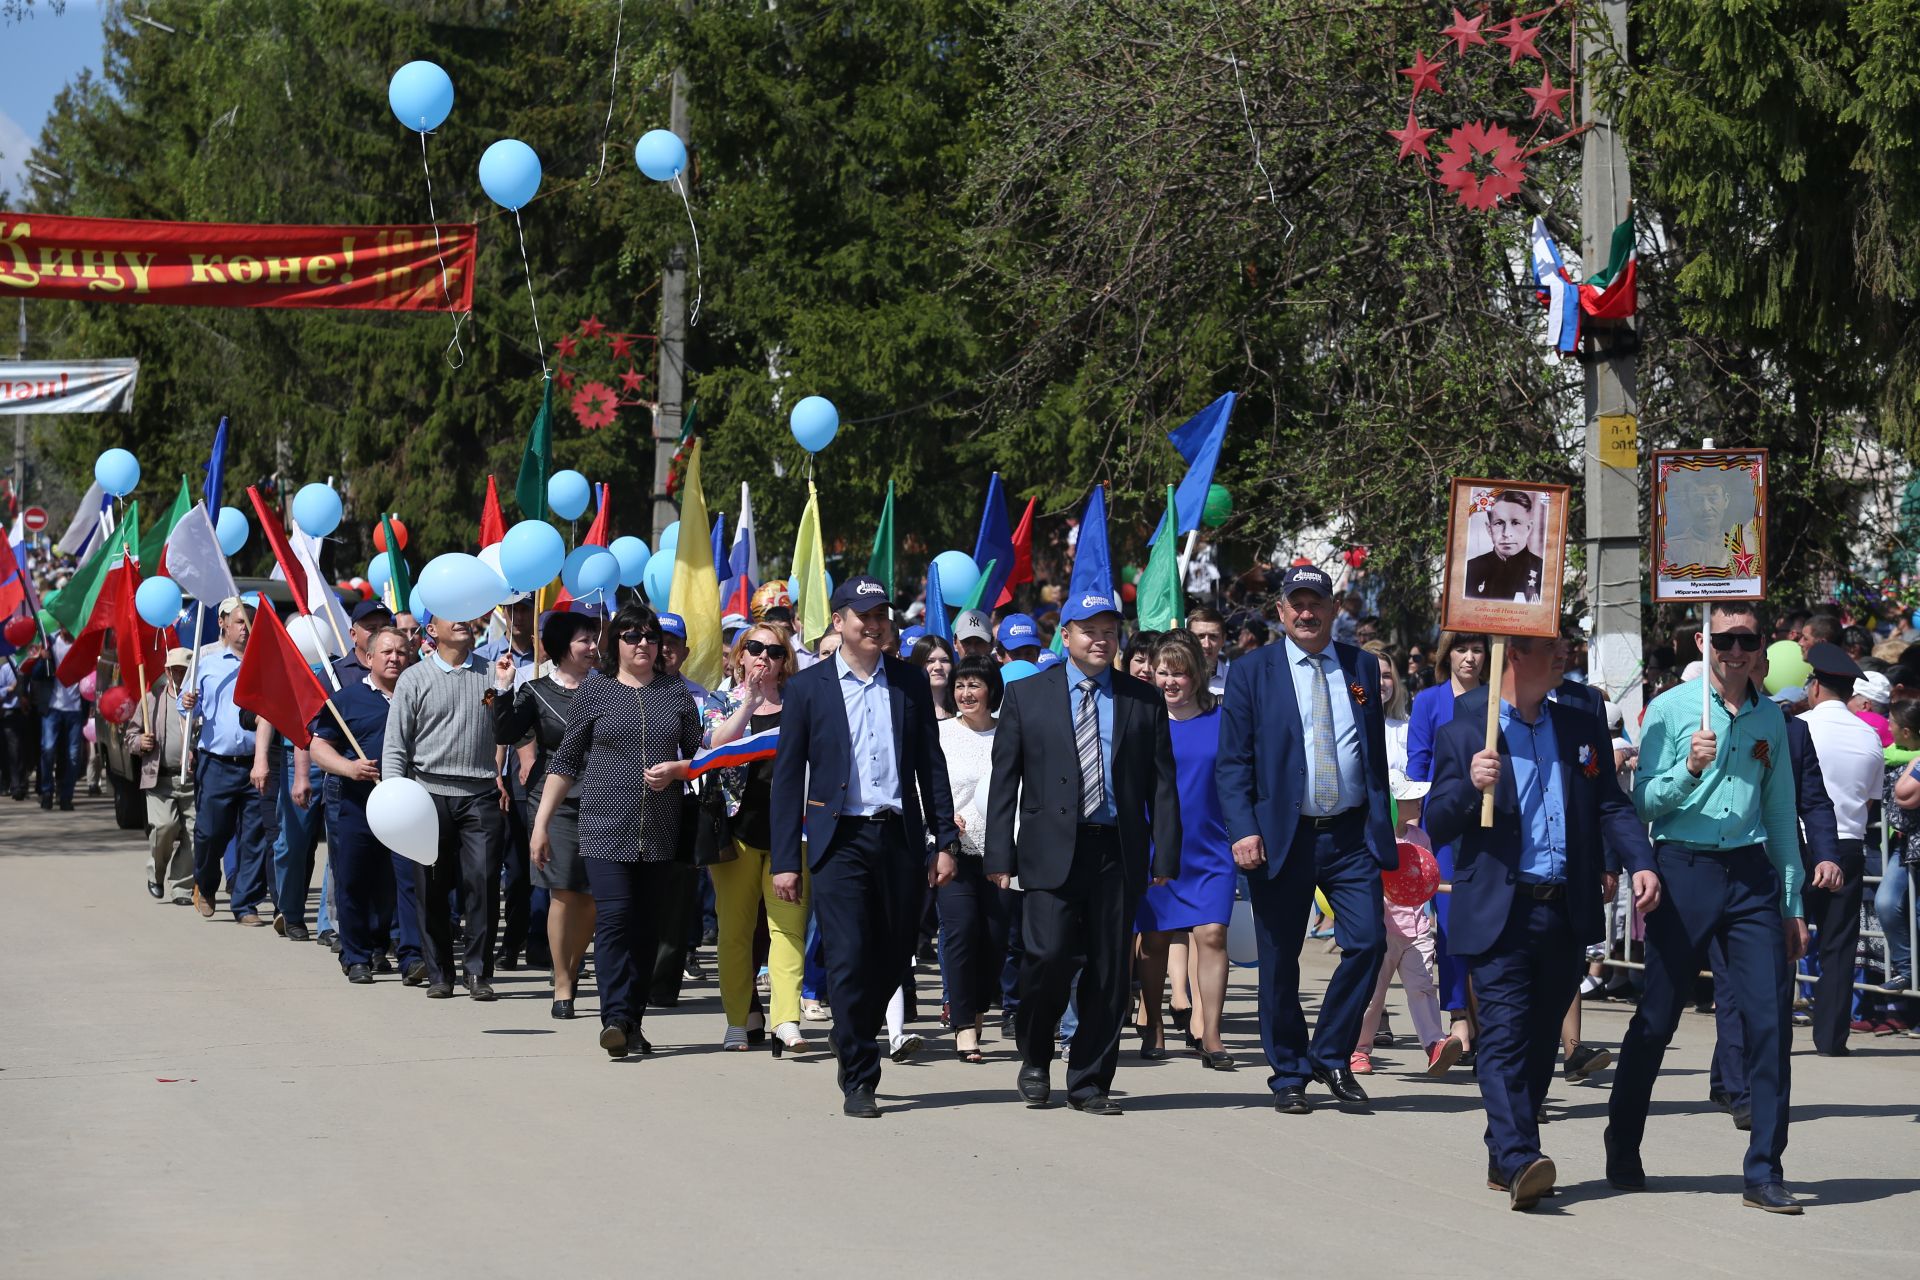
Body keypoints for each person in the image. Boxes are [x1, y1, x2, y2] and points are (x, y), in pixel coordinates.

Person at [1424, 631, 1659, 1210]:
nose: (1564, 658)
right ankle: (1524, 1156)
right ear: (1514, 656)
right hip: (1501, 910)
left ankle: (1504, 1152)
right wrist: (1471, 784)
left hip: (1564, 908)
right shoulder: (1466, 733)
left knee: (1534, 1044)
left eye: (1565, 650)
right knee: (1502, 1036)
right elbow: (1436, 820)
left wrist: (1640, 861)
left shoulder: (1579, 727)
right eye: (1551, 650)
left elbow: (1609, 804)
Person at [1610, 601, 1808, 1215]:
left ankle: (1764, 1169)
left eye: (1746, 640)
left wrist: (1790, 900)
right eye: (1723, 640)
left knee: (1770, 1023)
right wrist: (1688, 770)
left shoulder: (1770, 718)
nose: (1735, 651)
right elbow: (1642, 804)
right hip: (1683, 869)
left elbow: (1779, 813)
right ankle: (1623, 1143)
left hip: (1750, 875)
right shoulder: (1671, 710)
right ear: (1704, 642)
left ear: (1762, 646)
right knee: (1659, 1016)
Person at [987, 585, 1180, 1116]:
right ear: (1065, 635)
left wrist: (1165, 854)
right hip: (1049, 853)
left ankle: (1090, 1080)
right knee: (1046, 957)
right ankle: (1034, 1054)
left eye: (1110, 631)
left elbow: (1163, 784)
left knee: (1107, 971)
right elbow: (1005, 781)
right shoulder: (1029, 695)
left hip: (1116, 852)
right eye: (1090, 631)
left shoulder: (1141, 699)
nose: (1101, 640)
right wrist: (998, 855)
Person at [770, 576, 957, 1117]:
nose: (875, 626)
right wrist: (786, 860)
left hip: (899, 836)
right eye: (865, 617)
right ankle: (860, 1074)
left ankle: (852, 1026)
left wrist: (945, 839)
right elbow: (788, 780)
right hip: (840, 838)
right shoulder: (808, 689)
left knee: (896, 953)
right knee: (849, 956)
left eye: (882, 617)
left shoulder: (908, 682)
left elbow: (931, 765)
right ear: (840, 622)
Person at [1217, 564, 1395, 1115]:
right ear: (1280, 611)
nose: (1306, 612)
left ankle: (1331, 1054)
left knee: (1368, 943)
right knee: (1280, 958)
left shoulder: (1360, 667)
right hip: (1281, 837)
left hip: (1349, 836)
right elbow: (1233, 763)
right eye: (1296, 602)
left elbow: (1372, 753)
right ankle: (1289, 1071)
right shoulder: (1252, 673)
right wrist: (1243, 828)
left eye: (1316, 601)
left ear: (1334, 609)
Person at [535, 602, 702, 1057]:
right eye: (632, 636)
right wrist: (542, 824)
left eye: (650, 636)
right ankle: (613, 1017)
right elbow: (566, 761)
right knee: (614, 922)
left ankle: (633, 1020)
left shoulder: (677, 694)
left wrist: (678, 769)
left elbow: (699, 758)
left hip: (661, 829)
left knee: (648, 929)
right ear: (616, 644)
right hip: (605, 826)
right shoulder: (596, 692)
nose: (644, 643)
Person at [661, 621, 812, 1054]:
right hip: (735, 831)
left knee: (788, 930)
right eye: (755, 648)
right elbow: (712, 749)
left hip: (792, 834)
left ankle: (786, 1019)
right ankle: (738, 1019)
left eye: (775, 651)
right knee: (735, 932)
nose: (765, 657)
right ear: (739, 655)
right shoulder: (718, 701)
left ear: (786, 663)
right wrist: (747, 704)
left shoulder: (802, 703)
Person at [381, 610, 509, 1001]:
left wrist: (504, 691)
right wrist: (394, 797)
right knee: (431, 888)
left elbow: (504, 727)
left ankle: (477, 971)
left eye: (467, 615)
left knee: (483, 884)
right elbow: (396, 744)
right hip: (427, 795)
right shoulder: (414, 678)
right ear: (431, 631)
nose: (463, 620)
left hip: (480, 793)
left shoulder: (492, 674)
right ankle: (439, 972)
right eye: (451, 615)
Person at [491, 610, 601, 1018]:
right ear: (561, 648)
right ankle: (562, 980)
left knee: (590, 894)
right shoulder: (534, 691)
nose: (592, 647)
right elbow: (503, 731)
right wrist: (499, 689)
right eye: (583, 641)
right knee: (562, 890)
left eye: (594, 639)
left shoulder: (607, 689)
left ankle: (573, 965)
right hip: (551, 798)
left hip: (602, 796)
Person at [1135, 631, 1235, 1068]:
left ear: (1197, 676)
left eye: (1180, 673)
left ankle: (1211, 1034)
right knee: (1155, 941)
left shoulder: (1223, 720)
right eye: (1163, 673)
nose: (1171, 681)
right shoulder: (1139, 719)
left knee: (1211, 934)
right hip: (1157, 846)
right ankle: (1153, 1020)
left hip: (1211, 847)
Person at [308, 628, 418, 985]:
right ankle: (355, 955)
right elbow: (319, 747)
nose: (394, 658)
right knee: (354, 880)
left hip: (408, 806)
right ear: (368, 658)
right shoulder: (347, 700)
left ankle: (408, 955)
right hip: (357, 804)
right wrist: (349, 768)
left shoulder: (419, 694)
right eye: (386, 651)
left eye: (401, 652)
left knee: (402, 881)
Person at [1402, 630, 1488, 1067]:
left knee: (1489, 922)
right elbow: (1418, 762)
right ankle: (1458, 1018)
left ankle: (1487, 1018)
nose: (1469, 657)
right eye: (1461, 648)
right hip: (1444, 827)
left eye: (1477, 649)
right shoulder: (1429, 701)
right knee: (1451, 924)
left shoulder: (1497, 700)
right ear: (1446, 654)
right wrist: (1413, 825)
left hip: (1492, 826)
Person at [1797, 642, 1883, 1056]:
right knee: (1840, 945)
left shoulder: (1798, 726)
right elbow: (1867, 800)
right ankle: (1831, 1039)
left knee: (1785, 938)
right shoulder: (1869, 735)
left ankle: (1772, 1034)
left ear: (1815, 686)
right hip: (1848, 845)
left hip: (1799, 842)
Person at [179, 599, 274, 923]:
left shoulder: (264, 663)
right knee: (209, 833)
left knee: (254, 836)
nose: (244, 629)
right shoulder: (207, 662)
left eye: (249, 622)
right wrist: (188, 700)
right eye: (239, 622)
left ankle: (245, 903)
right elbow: (185, 704)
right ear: (223, 623)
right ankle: (204, 886)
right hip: (216, 762)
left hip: (255, 762)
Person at [938, 655, 1009, 1062]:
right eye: (960, 684)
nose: (966, 693)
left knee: (996, 941)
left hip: (1001, 855)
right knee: (962, 934)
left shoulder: (1010, 734)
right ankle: (964, 1025)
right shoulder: (942, 734)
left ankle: (978, 1008)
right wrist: (943, 821)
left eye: (974, 685)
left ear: (991, 690)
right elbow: (921, 785)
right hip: (954, 853)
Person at [127, 647, 195, 904]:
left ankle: (182, 886)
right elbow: (130, 736)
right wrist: (140, 742)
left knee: (196, 833)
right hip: (160, 780)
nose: (178, 674)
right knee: (164, 827)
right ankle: (156, 872)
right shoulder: (152, 700)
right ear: (166, 671)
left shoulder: (198, 699)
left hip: (192, 780)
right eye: (173, 670)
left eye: (183, 670)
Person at [35, 628, 86, 811]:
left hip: (75, 709)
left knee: (73, 756)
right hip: (53, 707)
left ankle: (66, 797)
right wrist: (43, 659)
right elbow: (36, 674)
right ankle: (47, 792)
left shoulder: (81, 643)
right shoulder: (50, 641)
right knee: (48, 749)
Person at [1464, 490, 1544, 603]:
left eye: (1515, 523)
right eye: (1499, 523)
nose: (1506, 533)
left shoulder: (1543, 570)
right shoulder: (1470, 569)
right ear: (1489, 529)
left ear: (1528, 528)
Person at [907, 634, 957, 720]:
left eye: (944, 660)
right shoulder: (904, 711)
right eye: (930, 661)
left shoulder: (965, 708)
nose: (938, 667)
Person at [1188, 606, 1231, 696]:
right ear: (1188, 639)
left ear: (1223, 640)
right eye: (1200, 636)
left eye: (1213, 637)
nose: (1206, 645)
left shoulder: (1235, 679)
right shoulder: (1173, 680)